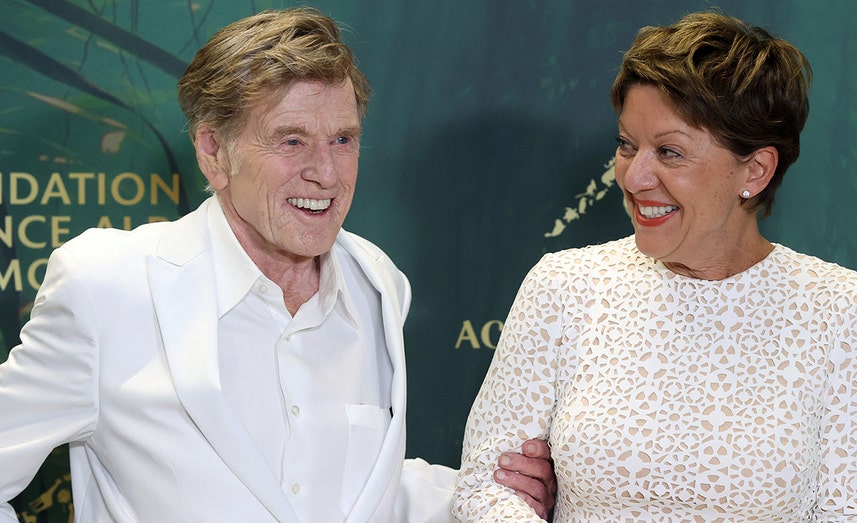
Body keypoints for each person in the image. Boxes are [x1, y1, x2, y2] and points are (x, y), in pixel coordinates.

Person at [0, 7, 556, 522]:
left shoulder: (376, 285)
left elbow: (341, 481)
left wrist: (486, 492)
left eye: (343, 139)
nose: (327, 173)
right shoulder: (108, 287)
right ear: (213, 152)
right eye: (292, 141)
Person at [455, 11, 857, 522]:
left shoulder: (845, 312)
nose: (634, 176)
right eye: (627, 144)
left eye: (669, 152)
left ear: (755, 170)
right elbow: (487, 490)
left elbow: (856, 514)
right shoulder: (563, 286)